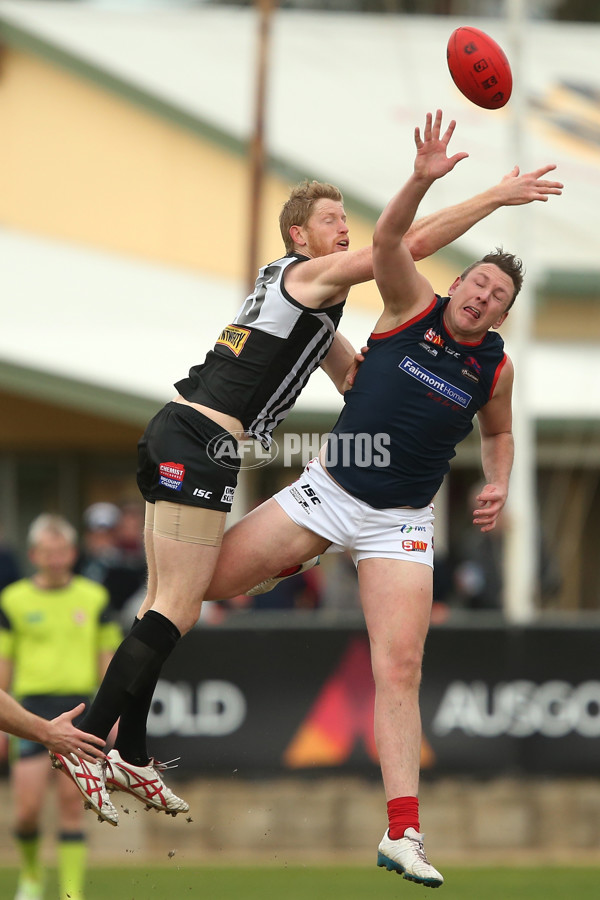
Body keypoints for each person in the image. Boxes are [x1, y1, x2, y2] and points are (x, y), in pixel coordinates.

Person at [56, 113, 563, 829]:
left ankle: (131, 751)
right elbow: (404, 244)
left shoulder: (314, 307)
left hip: (197, 436)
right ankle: (85, 742)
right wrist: (487, 196)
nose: (343, 229)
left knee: (173, 602)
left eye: (343, 220)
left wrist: (414, 402)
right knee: (176, 605)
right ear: (299, 237)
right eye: (330, 220)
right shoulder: (310, 274)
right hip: (203, 436)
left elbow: (354, 374)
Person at [199, 110, 562, 887]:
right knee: (204, 585)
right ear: (458, 284)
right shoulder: (412, 306)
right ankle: (110, 718)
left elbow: (498, 437)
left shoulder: (494, 370)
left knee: (399, 669)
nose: (483, 297)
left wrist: (496, 480)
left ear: (501, 314)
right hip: (327, 490)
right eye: (478, 282)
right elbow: (393, 241)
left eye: (498, 296)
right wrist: (434, 179)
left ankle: (403, 833)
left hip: (400, 522)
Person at [0, 514, 121, 900]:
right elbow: (3, 665)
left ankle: (71, 893)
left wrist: (113, 713)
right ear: (35, 554)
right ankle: (33, 876)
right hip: (31, 711)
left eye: (62, 551)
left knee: (72, 805)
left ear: (72, 553)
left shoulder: (94, 597)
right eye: (47, 552)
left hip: (79, 708)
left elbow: (109, 661)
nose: (55, 559)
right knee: (27, 809)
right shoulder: (12, 600)